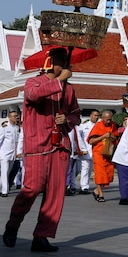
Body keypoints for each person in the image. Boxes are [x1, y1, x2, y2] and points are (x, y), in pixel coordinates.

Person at [2, 46, 81, 253]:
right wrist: (59, 81)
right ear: (50, 63)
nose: (64, 65)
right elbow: (33, 97)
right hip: (37, 145)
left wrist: (68, 119)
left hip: (60, 145)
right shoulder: (34, 82)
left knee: (56, 194)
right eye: (60, 61)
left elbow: (76, 114)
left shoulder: (70, 89)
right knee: (32, 188)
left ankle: (42, 236)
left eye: (66, 61)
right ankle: (13, 225)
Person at [87, 109, 119, 202]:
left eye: (110, 119)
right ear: (102, 118)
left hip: (108, 153)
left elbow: (116, 136)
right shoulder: (98, 126)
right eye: (106, 119)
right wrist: (103, 136)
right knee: (100, 174)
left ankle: (96, 190)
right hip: (98, 153)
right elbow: (91, 141)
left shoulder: (113, 125)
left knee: (108, 175)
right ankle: (101, 194)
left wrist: (112, 137)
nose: (108, 121)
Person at [76, 111, 98, 195]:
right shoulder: (83, 126)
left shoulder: (98, 126)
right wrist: (82, 149)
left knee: (90, 170)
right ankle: (84, 187)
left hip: (95, 151)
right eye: (95, 115)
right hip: (86, 151)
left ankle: (86, 185)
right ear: (91, 116)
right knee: (85, 168)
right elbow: (79, 138)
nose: (96, 117)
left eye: (97, 115)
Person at [0, 112, 21, 198]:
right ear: (9, 117)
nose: (16, 117)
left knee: (7, 172)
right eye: (14, 116)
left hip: (12, 154)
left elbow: (17, 142)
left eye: (17, 116)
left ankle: (1, 189)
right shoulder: (4, 127)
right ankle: (5, 191)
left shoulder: (17, 128)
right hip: (4, 153)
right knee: (4, 172)